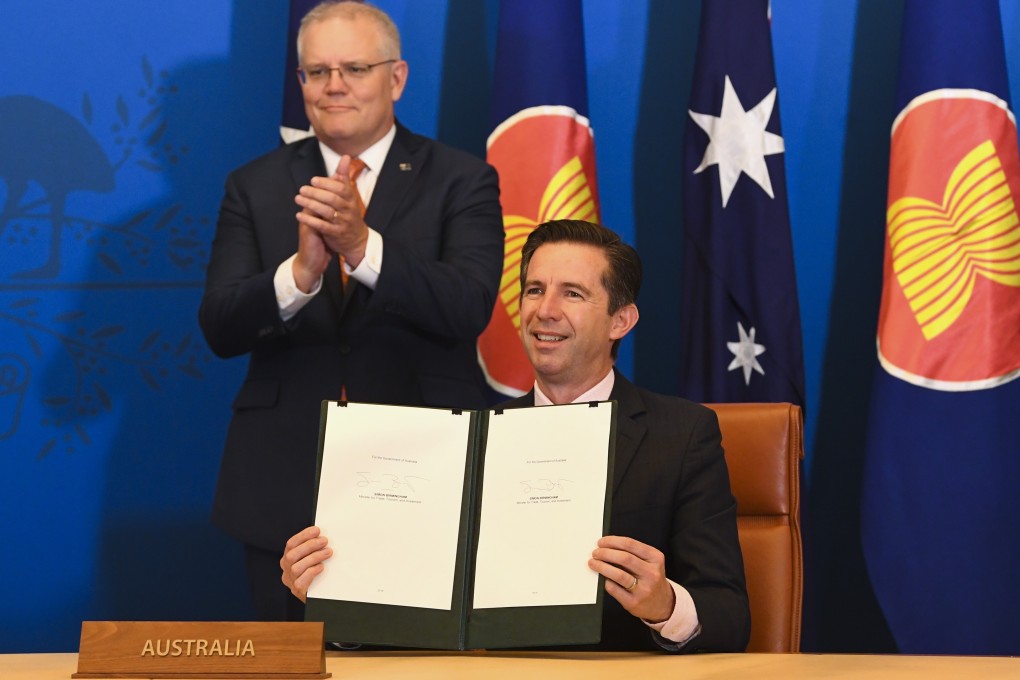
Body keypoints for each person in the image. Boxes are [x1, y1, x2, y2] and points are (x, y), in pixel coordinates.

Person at [281, 220, 750, 652]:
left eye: (572, 294)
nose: (545, 311)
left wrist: (665, 605)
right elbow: (420, 620)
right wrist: (335, 597)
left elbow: (729, 615)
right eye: (534, 289)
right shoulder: (464, 439)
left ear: (620, 321)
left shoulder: (683, 434)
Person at [198, 0, 504, 621]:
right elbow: (221, 325)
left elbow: (467, 305)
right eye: (316, 72)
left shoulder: (462, 180)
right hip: (282, 481)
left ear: (396, 78)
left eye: (354, 68)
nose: (333, 85)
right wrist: (301, 274)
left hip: (423, 469)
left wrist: (363, 249)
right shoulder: (252, 185)